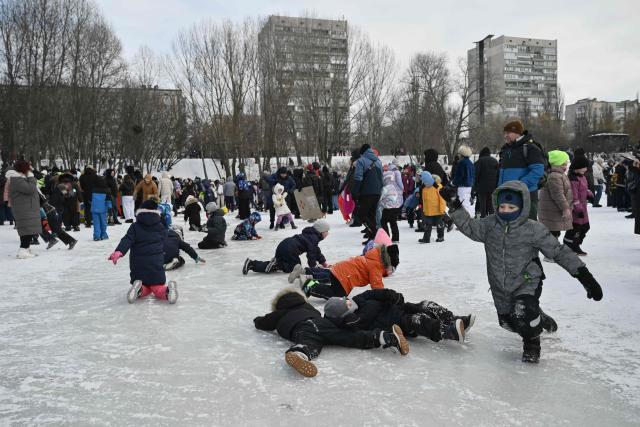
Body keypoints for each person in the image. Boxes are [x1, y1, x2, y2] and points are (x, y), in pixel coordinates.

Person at [440, 180, 603, 363]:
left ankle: (532, 344)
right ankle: (538, 317)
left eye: (511, 207)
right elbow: (469, 226)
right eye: (502, 206)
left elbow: (558, 251)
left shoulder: (533, 229)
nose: (506, 211)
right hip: (500, 285)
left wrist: (585, 277)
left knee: (522, 314)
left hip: (527, 281)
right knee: (509, 322)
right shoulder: (489, 225)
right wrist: (454, 204)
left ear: (522, 206)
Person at [253, 287, 409, 377]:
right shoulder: (308, 307)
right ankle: (385, 337)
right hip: (322, 324)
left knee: (309, 343)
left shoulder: (279, 313)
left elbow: (262, 323)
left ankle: (299, 353)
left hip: (303, 328)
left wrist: (257, 320)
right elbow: (323, 318)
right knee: (349, 337)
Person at [323, 289, 470, 344]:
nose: (349, 302)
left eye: (346, 300)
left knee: (426, 305)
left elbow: (375, 293)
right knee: (418, 320)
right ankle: (448, 331)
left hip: (398, 308)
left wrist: (391, 295)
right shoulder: (354, 321)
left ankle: (453, 319)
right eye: (346, 305)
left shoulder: (359, 298)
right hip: (398, 323)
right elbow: (358, 327)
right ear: (344, 313)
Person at [108, 199, 178, 304]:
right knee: (157, 287)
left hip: (138, 265)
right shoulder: (160, 226)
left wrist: (119, 251)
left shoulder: (135, 227)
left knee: (146, 287)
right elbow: (164, 239)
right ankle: (167, 292)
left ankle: (139, 289)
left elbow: (127, 239)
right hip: (156, 264)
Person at [288, 244, 399, 300]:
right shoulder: (376, 266)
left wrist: (384, 273)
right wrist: (384, 296)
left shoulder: (374, 257)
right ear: (388, 261)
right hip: (344, 276)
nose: (390, 271)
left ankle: (310, 282)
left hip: (342, 271)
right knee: (336, 295)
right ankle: (308, 285)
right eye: (391, 268)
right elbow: (376, 285)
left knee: (336, 292)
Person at [498, 120, 546, 220]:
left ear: (517, 133)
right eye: (505, 133)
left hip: (526, 195)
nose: (505, 136)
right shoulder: (505, 149)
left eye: (508, 133)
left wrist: (521, 185)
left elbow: (538, 171)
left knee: (527, 229)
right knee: (510, 228)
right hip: (507, 195)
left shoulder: (530, 148)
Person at [243, 220, 329, 275]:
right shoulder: (313, 238)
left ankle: (252, 264)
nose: (327, 233)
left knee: (287, 265)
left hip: (284, 245)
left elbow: (316, 251)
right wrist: (313, 268)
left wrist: (324, 263)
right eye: (326, 231)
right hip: (290, 249)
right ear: (321, 231)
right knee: (294, 268)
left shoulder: (311, 236)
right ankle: (277, 264)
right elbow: (312, 254)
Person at [538, 150, 573, 259]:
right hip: (553, 209)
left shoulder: (558, 174)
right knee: (552, 232)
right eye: (563, 164)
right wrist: (565, 208)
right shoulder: (554, 176)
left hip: (553, 209)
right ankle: (550, 255)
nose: (566, 166)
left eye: (566, 163)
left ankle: (553, 253)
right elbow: (558, 194)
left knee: (554, 232)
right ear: (555, 164)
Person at [7, 160, 42, 258]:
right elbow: (30, 189)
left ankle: (26, 248)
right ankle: (22, 250)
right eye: (28, 168)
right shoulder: (16, 179)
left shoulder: (21, 178)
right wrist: (31, 176)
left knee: (29, 230)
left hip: (27, 208)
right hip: (24, 209)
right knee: (26, 230)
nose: (30, 170)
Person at [351, 144, 383, 241]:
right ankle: (372, 238)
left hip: (366, 192)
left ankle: (375, 233)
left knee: (361, 215)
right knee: (371, 215)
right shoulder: (378, 161)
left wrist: (355, 192)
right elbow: (381, 177)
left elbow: (358, 177)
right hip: (377, 192)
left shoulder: (361, 161)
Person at [563, 157, 593, 256]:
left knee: (585, 227)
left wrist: (589, 194)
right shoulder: (573, 179)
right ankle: (570, 245)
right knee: (576, 228)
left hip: (583, 206)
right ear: (577, 168)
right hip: (577, 208)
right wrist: (578, 209)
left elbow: (585, 189)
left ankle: (575, 244)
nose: (586, 169)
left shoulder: (582, 176)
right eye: (583, 167)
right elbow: (574, 196)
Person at [379, 160, 403, 243]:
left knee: (383, 221)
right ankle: (396, 238)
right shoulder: (394, 187)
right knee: (393, 222)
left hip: (387, 208)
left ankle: (387, 237)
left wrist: (380, 203)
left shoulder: (385, 188)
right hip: (395, 207)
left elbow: (381, 198)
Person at [418, 171, 446, 244]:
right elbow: (424, 199)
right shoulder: (424, 188)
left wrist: (442, 209)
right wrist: (424, 208)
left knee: (439, 224)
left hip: (437, 210)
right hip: (428, 210)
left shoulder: (437, 186)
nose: (423, 182)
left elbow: (442, 199)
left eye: (424, 180)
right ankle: (426, 238)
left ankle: (441, 237)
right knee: (427, 225)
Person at [474, 147, 498, 217]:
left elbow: (475, 175)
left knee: (482, 204)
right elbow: (498, 174)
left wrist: (475, 187)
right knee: (491, 204)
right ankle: (491, 218)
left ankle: (483, 218)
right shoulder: (495, 161)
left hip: (481, 187)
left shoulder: (480, 161)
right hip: (493, 187)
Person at [452, 145, 475, 215]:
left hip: (462, 187)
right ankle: (467, 219)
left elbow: (459, 176)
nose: (458, 155)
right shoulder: (470, 163)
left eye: (459, 154)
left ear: (462, 154)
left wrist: (453, 182)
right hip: (469, 186)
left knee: (462, 205)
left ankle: (464, 220)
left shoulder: (461, 163)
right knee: (466, 204)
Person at [90, 176, 110, 241]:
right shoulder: (107, 190)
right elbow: (108, 200)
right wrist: (109, 207)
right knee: (103, 223)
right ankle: (103, 234)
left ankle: (96, 236)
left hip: (94, 208)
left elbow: (89, 199)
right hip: (103, 209)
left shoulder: (92, 189)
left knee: (96, 223)